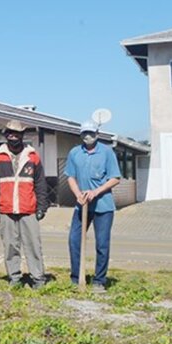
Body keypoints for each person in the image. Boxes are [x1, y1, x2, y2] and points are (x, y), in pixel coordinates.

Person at [0, 120, 50, 289]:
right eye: (10, 133)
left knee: (33, 246)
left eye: (17, 133)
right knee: (10, 246)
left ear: (22, 135)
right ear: (6, 135)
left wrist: (42, 207)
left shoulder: (32, 156)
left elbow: (40, 184)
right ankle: (14, 278)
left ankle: (38, 278)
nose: (13, 136)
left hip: (28, 209)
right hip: (5, 209)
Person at [66, 121, 122, 292]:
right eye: (84, 133)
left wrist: (96, 192)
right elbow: (70, 176)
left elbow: (115, 178)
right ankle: (77, 277)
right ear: (80, 134)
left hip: (103, 206)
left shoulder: (106, 152)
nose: (87, 136)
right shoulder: (75, 153)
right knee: (74, 240)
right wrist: (78, 194)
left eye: (90, 133)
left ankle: (99, 280)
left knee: (102, 244)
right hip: (81, 205)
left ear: (97, 133)